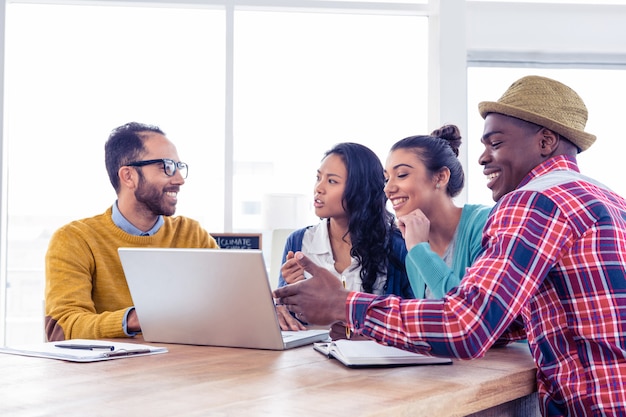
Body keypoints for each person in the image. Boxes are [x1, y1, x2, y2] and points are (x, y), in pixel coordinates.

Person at [274, 75, 626, 416]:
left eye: (496, 143)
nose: (482, 158)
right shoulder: (608, 200)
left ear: (546, 142)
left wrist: (343, 304)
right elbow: (509, 321)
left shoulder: (534, 202)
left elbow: (467, 326)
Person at [45, 122, 218, 341]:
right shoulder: (75, 239)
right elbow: (63, 327)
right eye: (166, 167)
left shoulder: (192, 234)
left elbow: (225, 304)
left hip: (183, 367)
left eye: (178, 167)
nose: (179, 180)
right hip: (108, 373)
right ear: (128, 176)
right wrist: (136, 318)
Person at [276, 142, 413, 334]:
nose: (319, 188)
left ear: (360, 190)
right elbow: (284, 315)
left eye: (332, 181)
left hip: (375, 359)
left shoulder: (397, 246)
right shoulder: (298, 241)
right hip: (310, 357)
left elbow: (412, 319)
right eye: (318, 178)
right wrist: (284, 300)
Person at [385, 125, 491, 299]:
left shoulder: (484, 224)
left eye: (402, 174)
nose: (388, 189)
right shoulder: (413, 255)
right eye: (386, 178)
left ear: (441, 177)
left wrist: (419, 249)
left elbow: (471, 312)